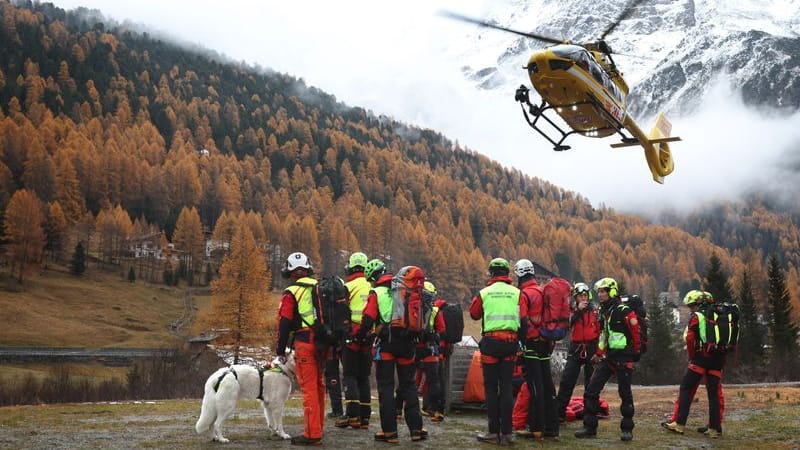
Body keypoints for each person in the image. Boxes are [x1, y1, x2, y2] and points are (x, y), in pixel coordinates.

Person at [358, 259, 428, 443]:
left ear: (373, 279)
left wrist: (360, 335)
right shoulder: (406, 289)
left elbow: (368, 319)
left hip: (387, 345)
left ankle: (389, 432)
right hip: (408, 343)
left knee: (386, 388)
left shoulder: (377, 292)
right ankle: (416, 430)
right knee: (408, 386)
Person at [469, 258, 528, 446]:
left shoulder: (484, 293)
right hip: (510, 344)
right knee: (507, 387)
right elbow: (523, 320)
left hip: (491, 344)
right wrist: (521, 344)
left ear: (491, 273)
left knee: (491, 389)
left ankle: (493, 433)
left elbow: (474, 314)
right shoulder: (517, 293)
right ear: (507, 273)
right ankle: (507, 433)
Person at [575, 277, 641, 442]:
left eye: (603, 291)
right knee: (591, 390)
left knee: (625, 393)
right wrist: (598, 353)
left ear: (612, 292)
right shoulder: (605, 312)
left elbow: (636, 332)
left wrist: (635, 353)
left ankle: (627, 429)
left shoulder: (624, 310)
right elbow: (604, 335)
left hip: (624, 357)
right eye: (599, 292)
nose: (600, 294)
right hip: (609, 357)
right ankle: (590, 427)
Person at [274, 252, 325, 446]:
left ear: (289, 271)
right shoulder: (319, 287)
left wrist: (280, 350)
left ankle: (312, 434)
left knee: (309, 389)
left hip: (304, 342)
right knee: (319, 387)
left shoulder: (291, 292)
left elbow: (284, 323)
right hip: (323, 343)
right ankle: (318, 427)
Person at [661, 290, 726, 439]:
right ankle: (715, 428)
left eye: (691, 305)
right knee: (714, 394)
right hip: (718, 359)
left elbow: (690, 338)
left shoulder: (697, 317)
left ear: (698, 304)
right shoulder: (721, 315)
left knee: (686, 388)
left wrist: (692, 356)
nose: (690, 309)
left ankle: (679, 423)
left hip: (701, 358)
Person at [513, 258, 559, 441]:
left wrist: (520, 343)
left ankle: (536, 428)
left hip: (531, 344)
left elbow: (522, 321)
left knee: (535, 386)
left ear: (519, 274)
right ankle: (552, 429)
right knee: (548, 385)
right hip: (546, 343)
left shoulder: (524, 294)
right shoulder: (543, 291)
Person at [335, 252, 373, 430]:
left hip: (351, 335)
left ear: (350, 267)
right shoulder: (372, 286)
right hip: (369, 335)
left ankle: (352, 415)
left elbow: (341, 312)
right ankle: (365, 418)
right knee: (364, 376)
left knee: (350, 375)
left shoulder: (347, 286)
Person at [555, 282, 601, 422]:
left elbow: (601, 331)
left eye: (585, 295)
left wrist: (599, 352)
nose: (583, 298)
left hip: (591, 347)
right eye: (580, 296)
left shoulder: (595, 312)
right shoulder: (572, 312)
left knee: (591, 383)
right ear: (575, 298)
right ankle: (559, 413)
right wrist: (578, 311)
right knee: (567, 381)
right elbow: (567, 324)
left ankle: (589, 414)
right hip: (576, 348)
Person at [419, 281, 447, 422]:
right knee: (434, 381)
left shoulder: (412, 306)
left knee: (408, 378)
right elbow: (442, 332)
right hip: (430, 349)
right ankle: (437, 411)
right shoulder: (436, 311)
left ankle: (398, 409)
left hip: (414, 348)